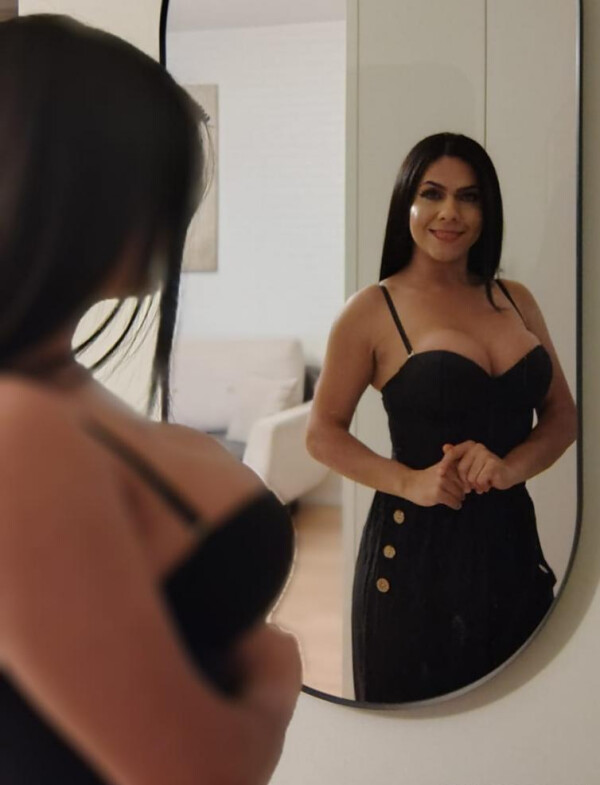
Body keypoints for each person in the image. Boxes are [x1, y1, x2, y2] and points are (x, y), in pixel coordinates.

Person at [0, 14, 301, 785]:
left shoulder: (52, 391)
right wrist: (277, 675)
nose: (182, 209)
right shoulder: (19, 428)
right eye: (166, 183)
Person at [307, 132, 577, 703]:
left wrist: (509, 468)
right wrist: (410, 482)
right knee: (415, 740)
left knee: (521, 727)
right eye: (432, 193)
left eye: (468, 197)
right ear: (406, 202)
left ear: (487, 209)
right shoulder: (371, 309)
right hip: (412, 558)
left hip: (511, 548)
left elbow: (562, 417)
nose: (450, 212)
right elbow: (322, 433)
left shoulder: (516, 299)